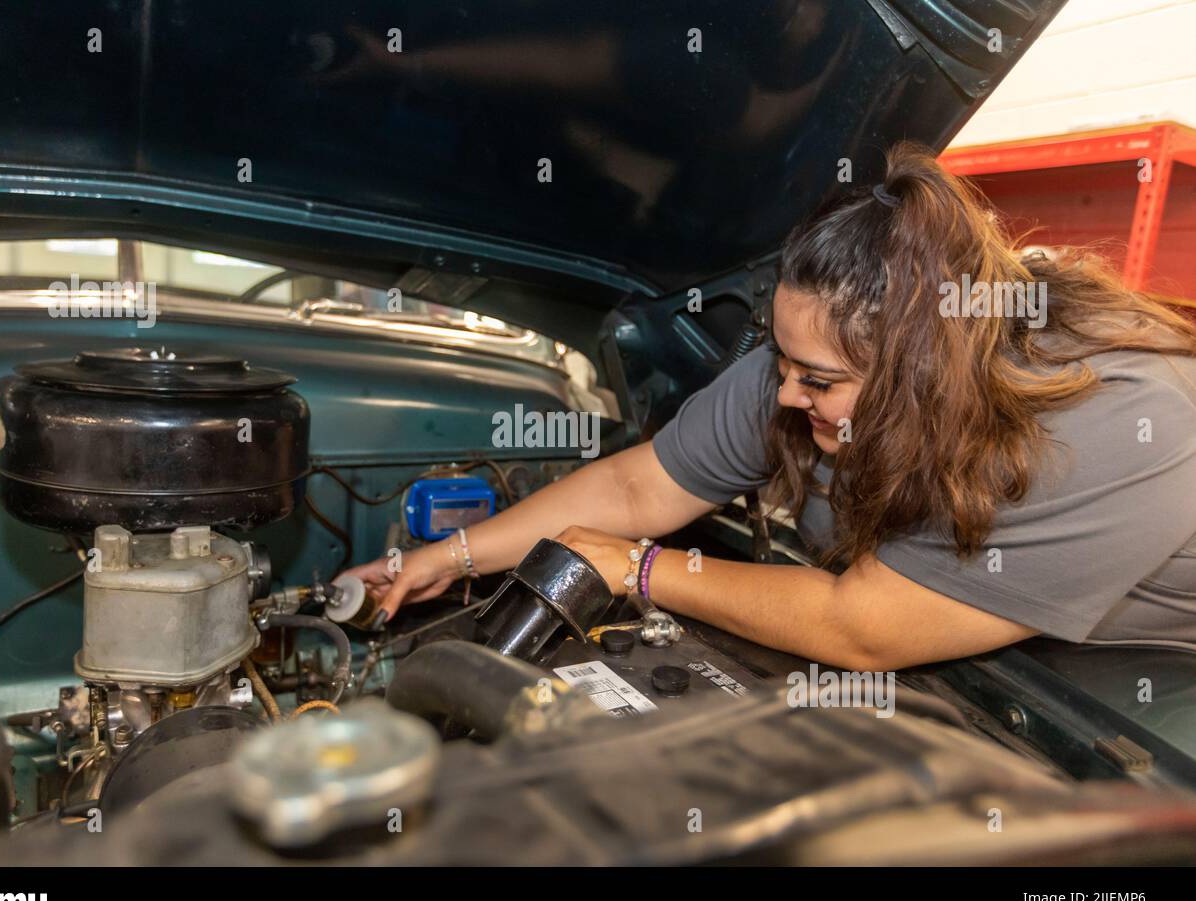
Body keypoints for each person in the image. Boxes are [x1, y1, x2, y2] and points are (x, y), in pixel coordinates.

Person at [346, 143, 1196, 669]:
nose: (786, 395)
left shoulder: (1115, 420)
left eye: (817, 380)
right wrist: (451, 556)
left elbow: (866, 628)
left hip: (1139, 701)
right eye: (783, 361)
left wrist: (634, 567)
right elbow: (640, 490)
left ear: (921, 371)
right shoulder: (812, 358)